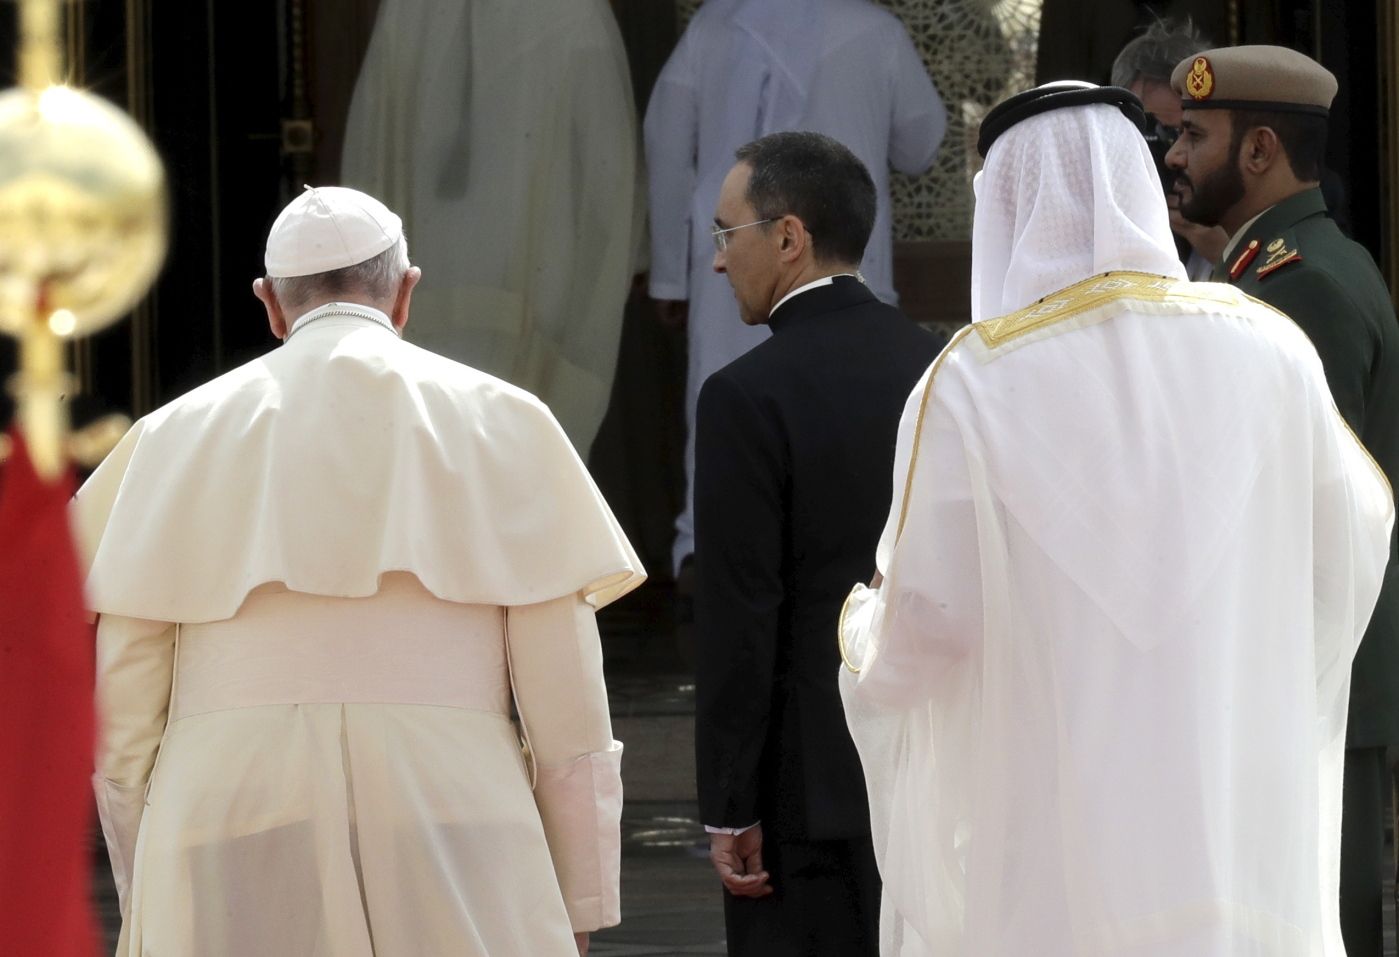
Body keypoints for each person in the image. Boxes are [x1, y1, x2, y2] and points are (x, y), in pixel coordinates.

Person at [838, 83, 1394, 956]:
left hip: (1058, 843)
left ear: (1006, 205)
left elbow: (923, 628)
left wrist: (858, 624)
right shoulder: (1268, 345)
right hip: (1223, 812)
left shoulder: (972, 380)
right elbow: (1352, 540)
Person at [73, 187, 645, 957]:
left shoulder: (169, 437)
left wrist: (150, 881)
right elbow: (565, 699)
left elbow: (127, 698)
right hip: (450, 798)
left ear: (270, 305)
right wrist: (578, 897)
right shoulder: (507, 421)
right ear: (405, 292)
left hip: (224, 802)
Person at [1165, 47, 1399, 955]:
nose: (1174, 154)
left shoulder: (1301, 284)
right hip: (1292, 670)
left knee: (1317, 921)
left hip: (1308, 672)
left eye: (1193, 135)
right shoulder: (1271, 270)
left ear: (1258, 148)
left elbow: (1306, 515)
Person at [693, 132, 943, 956]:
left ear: (788, 237)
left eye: (727, 233)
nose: (718, 260)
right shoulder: (943, 369)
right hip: (933, 767)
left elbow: (740, 614)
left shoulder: (744, 396)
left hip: (803, 793)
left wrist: (730, 801)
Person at [645, 0, 947, 574]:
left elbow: (666, 142)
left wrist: (668, 273)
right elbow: (922, 144)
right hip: (841, 259)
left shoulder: (714, 24)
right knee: (846, 402)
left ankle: (706, 550)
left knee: (724, 397)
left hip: (732, 258)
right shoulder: (876, 30)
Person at [340, 0, 636, 453]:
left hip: (419, 285)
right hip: (538, 287)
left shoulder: (403, 10)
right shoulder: (574, 11)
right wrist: (639, 256)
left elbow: (367, 158)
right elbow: (608, 171)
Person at [1109, 17, 1225, 277]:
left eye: (1191, 133)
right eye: (1154, 130)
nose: (1174, 156)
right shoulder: (1094, 206)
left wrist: (1224, 252)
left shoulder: (1243, 211)